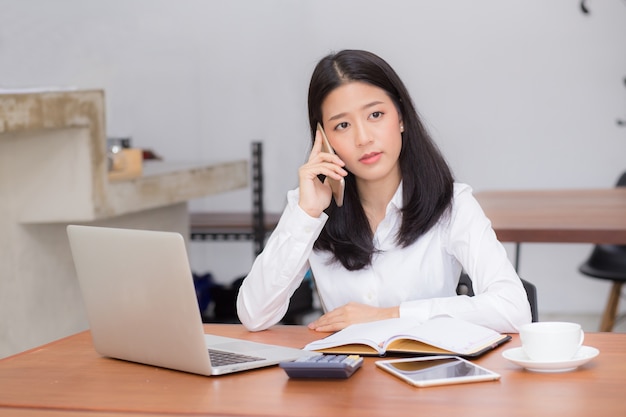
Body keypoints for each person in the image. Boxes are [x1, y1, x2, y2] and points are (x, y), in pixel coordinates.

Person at [236, 49, 532, 334]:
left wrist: (390, 316)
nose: (363, 138)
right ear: (323, 139)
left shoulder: (451, 204)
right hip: (343, 380)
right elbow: (254, 315)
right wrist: (307, 214)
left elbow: (513, 308)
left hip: (428, 377)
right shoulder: (309, 207)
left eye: (375, 115)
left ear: (401, 117)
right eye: (342, 125)